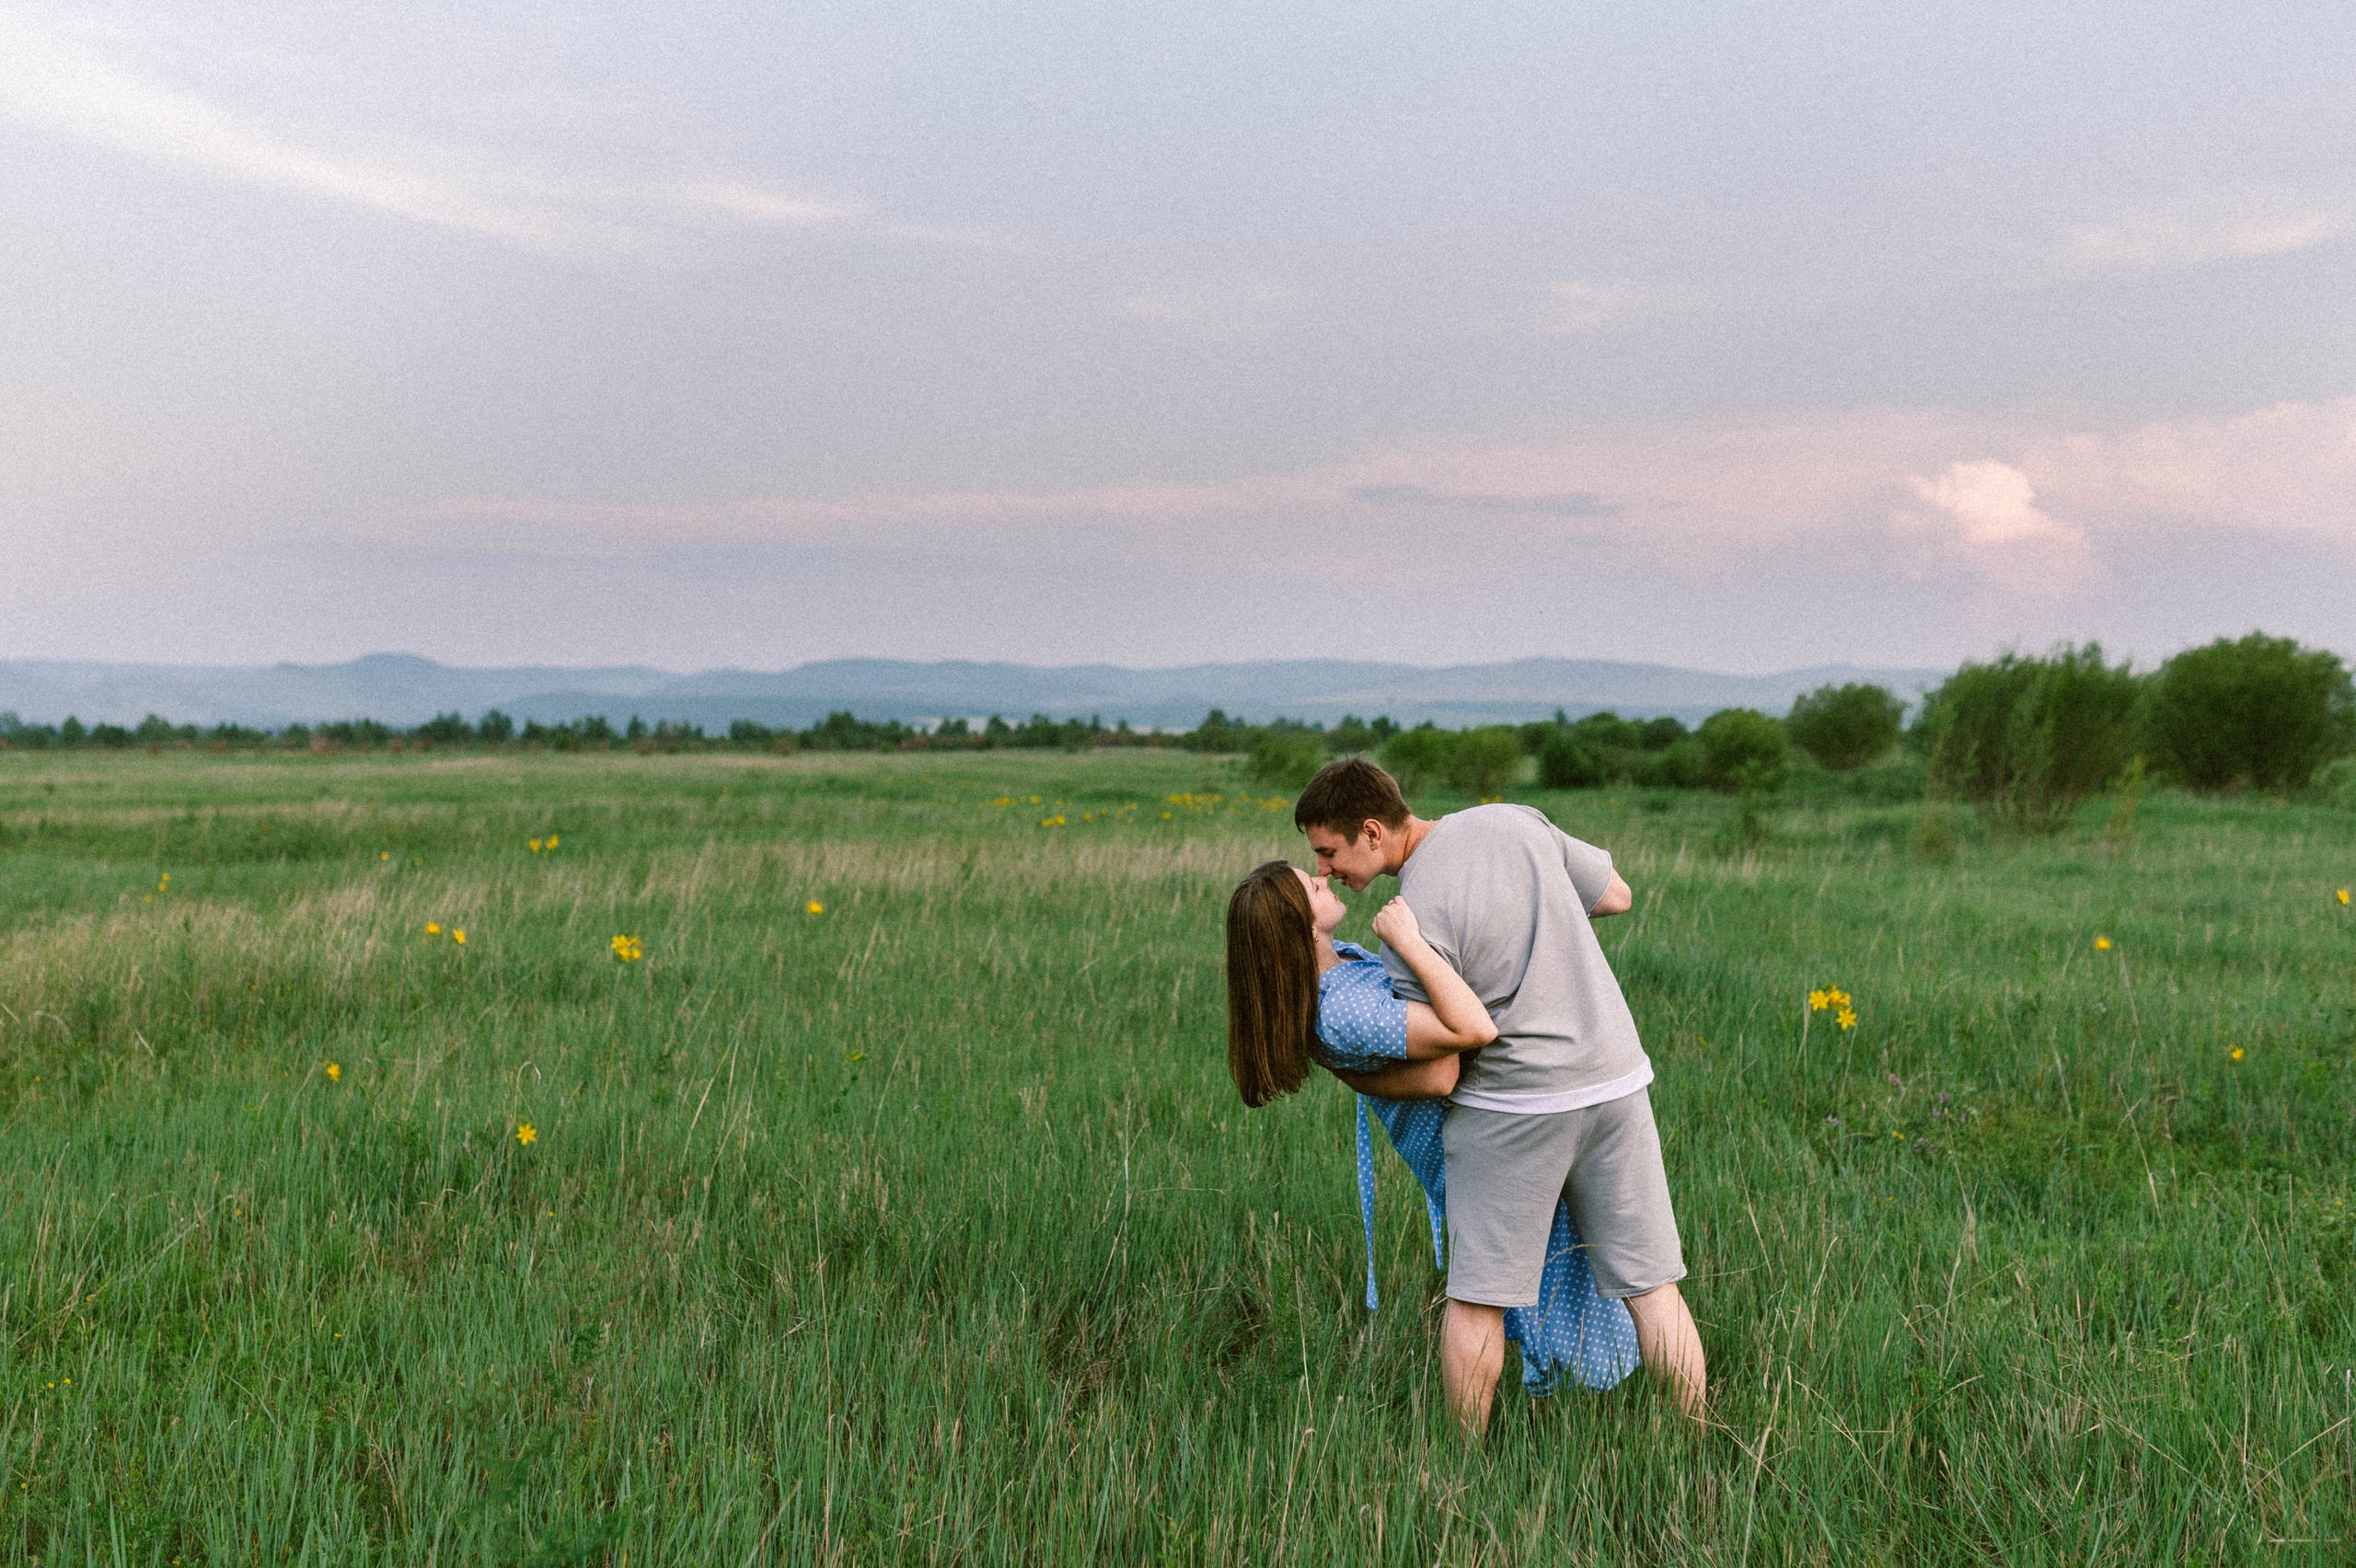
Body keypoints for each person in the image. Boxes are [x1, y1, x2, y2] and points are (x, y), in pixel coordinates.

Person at [1296, 756, 1706, 1432]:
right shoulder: (1515, 820)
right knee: (1652, 1286)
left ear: (1372, 832)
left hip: (1512, 1110)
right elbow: (1616, 897)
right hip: (1617, 1082)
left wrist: (1349, 1074)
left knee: (1478, 1300)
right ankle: (1700, 1437)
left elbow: (1440, 1075)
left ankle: (1463, 1465)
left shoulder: (1406, 925)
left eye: (1329, 851)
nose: (1326, 868)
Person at [1225, 859, 1641, 1398]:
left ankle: (1560, 1395)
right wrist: (1411, 941)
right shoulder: (1343, 1006)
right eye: (1311, 884)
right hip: (1466, 1147)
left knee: (1543, 1269)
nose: (1323, 878)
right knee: (1529, 1277)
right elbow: (1470, 1032)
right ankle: (1536, 1412)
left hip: (1480, 1135)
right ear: (1297, 924)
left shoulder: (1340, 968)